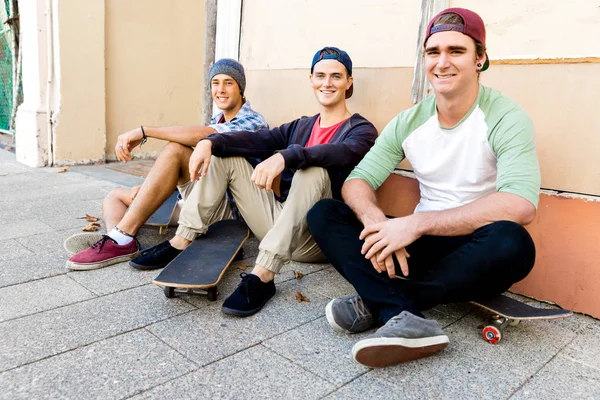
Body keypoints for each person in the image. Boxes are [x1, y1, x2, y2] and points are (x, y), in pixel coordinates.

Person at [307, 8, 541, 368]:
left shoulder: (505, 116)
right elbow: (358, 179)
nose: (442, 63)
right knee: (324, 212)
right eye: (433, 53)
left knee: (515, 243)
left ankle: (381, 301)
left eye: (456, 51)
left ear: (480, 59)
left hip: (474, 246)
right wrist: (376, 225)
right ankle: (402, 313)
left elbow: (521, 204)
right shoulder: (410, 119)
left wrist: (416, 224)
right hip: (417, 248)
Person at [131, 47, 378, 317]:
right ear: (311, 80)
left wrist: (288, 156)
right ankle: (182, 239)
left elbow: (342, 153)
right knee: (225, 156)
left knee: (313, 170)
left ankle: (263, 276)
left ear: (348, 82)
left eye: (336, 77)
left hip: (314, 238)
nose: (327, 83)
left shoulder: (360, 129)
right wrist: (209, 142)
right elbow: (258, 139)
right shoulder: (301, 126)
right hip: (276, 221)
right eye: (320, 76)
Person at [66, 58, 268, 270]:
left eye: (228, 83)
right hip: (203, 198)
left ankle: (120, 237)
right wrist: (148, 189)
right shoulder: (218, 119)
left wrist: (145, 131)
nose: (221, 89)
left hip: (229, 212)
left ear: (240, 88)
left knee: (175, 149)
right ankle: (118, 239)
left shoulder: (253, 121)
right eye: (215, 83)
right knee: (115, 196)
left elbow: (206, 137)